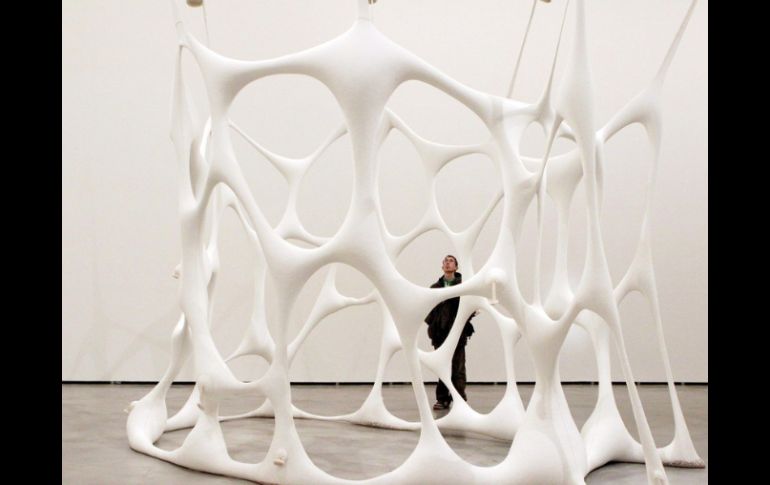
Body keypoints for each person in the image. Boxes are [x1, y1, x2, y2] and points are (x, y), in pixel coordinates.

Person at [424, 255, 476, 410]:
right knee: (442, 366)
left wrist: (462, 321)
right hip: (440, 333)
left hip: (458, 332)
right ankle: (442, 399)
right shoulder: (435, 288)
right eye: (445, 261)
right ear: (442, 267)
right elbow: (427, 308)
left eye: (451, 261)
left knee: (458, 367)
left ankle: (459, 399)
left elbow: (471, 306)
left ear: (456, 267)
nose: (447, 263)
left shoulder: (463, 287)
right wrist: (434, 322)